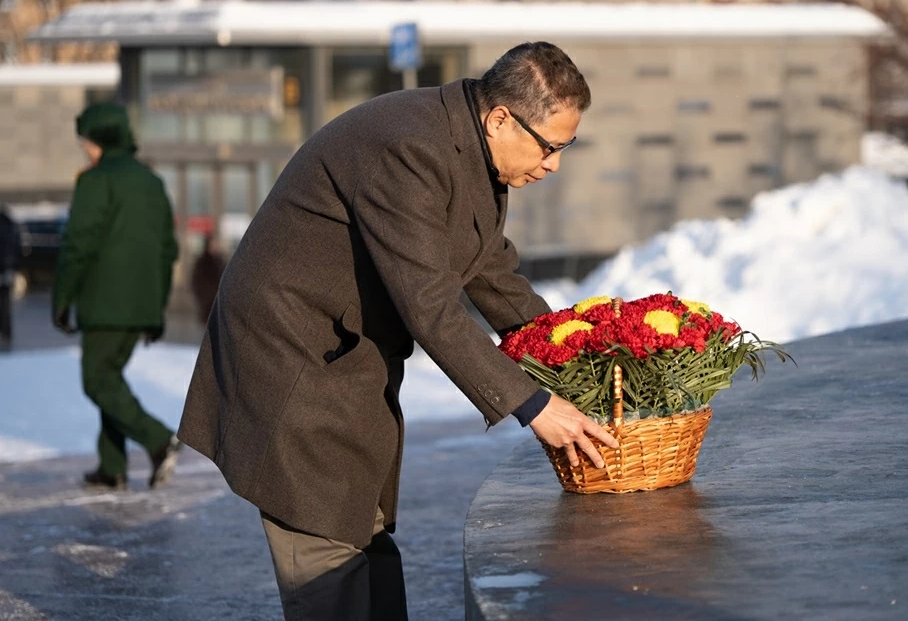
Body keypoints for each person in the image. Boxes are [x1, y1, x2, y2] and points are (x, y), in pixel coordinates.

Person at [178, 42, 619, 620]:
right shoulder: (409, 147)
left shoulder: (469, 148)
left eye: (566, 147)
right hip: (291, 364)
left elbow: (490, 271)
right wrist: (532, 404)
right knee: (327, 551)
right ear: (500, 119)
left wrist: (574, 357)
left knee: (364, 537)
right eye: (550, 146)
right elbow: (429, 305)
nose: (554, 164)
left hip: (344, 358)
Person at [52, 102, 182, 491]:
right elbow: (167, 250)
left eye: (87, 141)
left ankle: (159, 440)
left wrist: (62, 297)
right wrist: (156, 307)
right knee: (110, 378)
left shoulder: (96, 181)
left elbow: (78, 243)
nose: (85, 149)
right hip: (141, 304)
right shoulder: (152, 182)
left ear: (102, 138)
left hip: (104, 304)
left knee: (97, 380)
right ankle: (112, 467)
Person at [190, 233, 226, 325]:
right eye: (214, 243)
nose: (216, 246)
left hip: (220, 302)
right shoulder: (202, 262)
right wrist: (205, 297)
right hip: (207, 303)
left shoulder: (220, 260)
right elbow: (196, 281)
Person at [0, 205, 20, 349]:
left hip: (4, 268)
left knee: (4, 304)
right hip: (8, 269)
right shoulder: (10, 225)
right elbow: (17, 247)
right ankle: (6, 334)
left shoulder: (7, 226)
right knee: (5, 304)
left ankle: (5, 334)